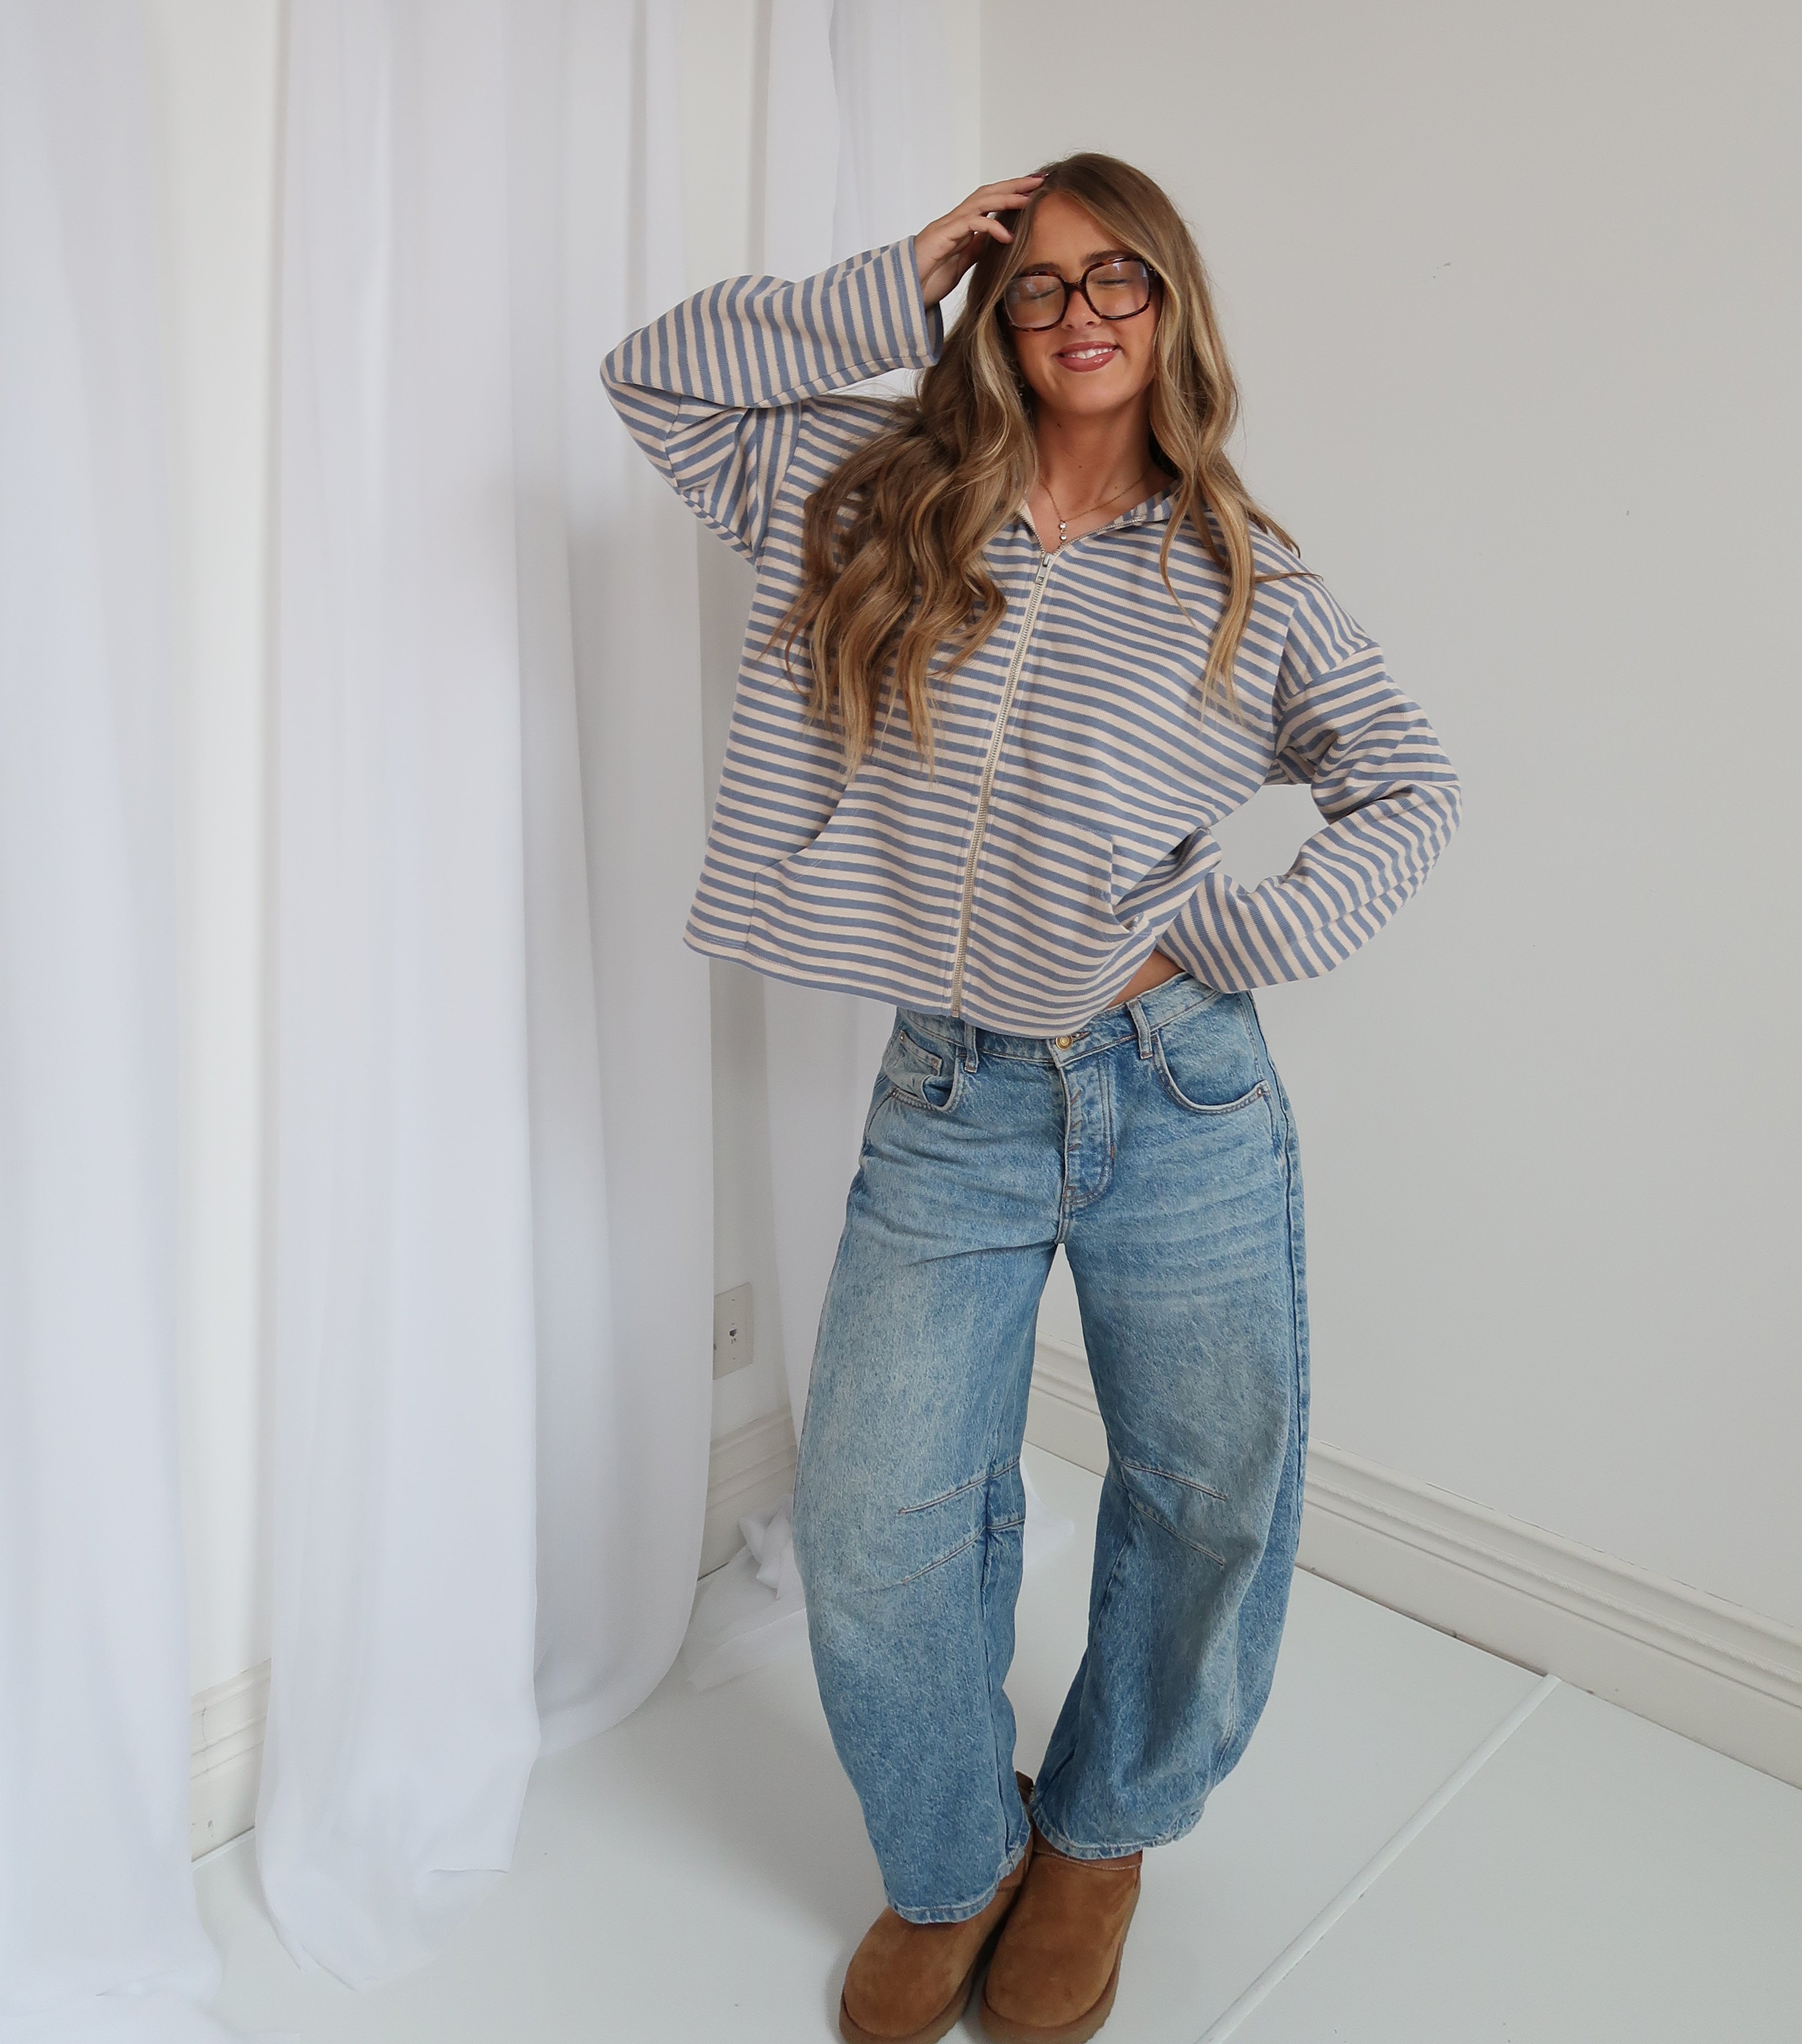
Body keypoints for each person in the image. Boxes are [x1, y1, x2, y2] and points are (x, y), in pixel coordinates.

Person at [602, 154, 1460, 2044]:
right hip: (954, 1093)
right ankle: (953, 1857)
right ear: (995, 313)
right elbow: (656, 378)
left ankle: (1100, 1836)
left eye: (1118, 275)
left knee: (1207, 1492)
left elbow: (1408, 780)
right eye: (1041, 280)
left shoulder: (1245, 576)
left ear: (1172, 307)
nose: (1081, 311)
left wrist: (1223, 935)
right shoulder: (874, 501)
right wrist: (896, 274)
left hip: (1182, 1095)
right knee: (876, 1517)